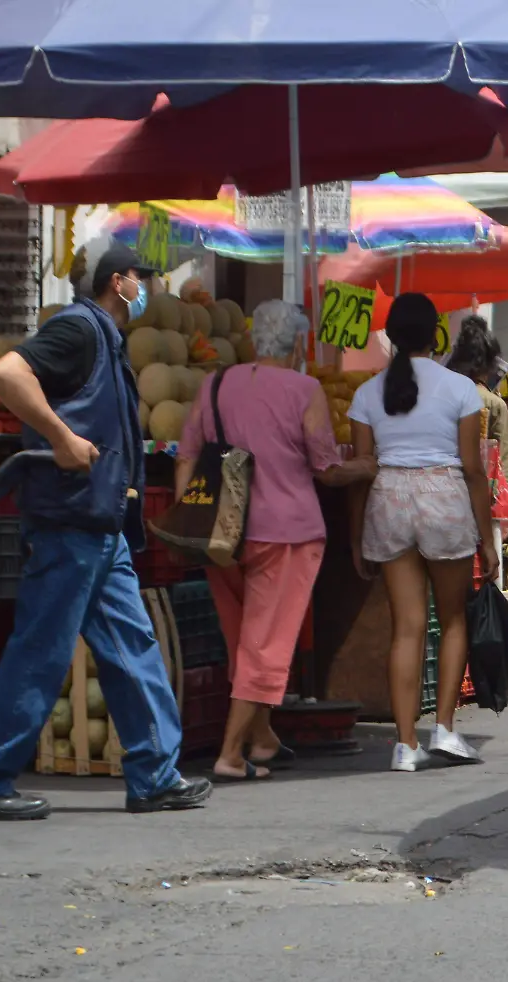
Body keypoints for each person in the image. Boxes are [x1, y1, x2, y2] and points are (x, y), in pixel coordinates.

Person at [0, 238, 213, 819]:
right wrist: (62, 438)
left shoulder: (107, 339)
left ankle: (155, 775)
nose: (147, 288)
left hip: (100, 524)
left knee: (133, 648)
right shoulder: (79, 330)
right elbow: (5, 372)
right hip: (71, 522)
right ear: (117, 281)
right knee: (40, 652)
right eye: (140, 278)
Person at [175, 300, 376, 782]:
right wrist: (365, 467)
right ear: (297, 347)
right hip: (286, 533)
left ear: (251, 340)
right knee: (266, 647)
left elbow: (186, 456)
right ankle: (230, 753)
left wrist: (192, 516)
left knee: (243, 638)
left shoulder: (216, 383)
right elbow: (326, 469)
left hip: (223, 536)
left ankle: (262, 739)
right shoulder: (305, 390)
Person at [348, 294, 499, 771]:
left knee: (407, 628)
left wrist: (357, 538)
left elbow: (361, 472)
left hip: (389, 499)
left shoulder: (366, 393)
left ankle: (404, 744)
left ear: (391, 336)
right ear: (436, 334)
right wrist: (488, 535)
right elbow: (474, 470)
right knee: (451, 620)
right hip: (444, 498)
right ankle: (446, 730)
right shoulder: (460, 389)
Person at [446, 317, 508, 587]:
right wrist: (507, 529)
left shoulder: (441, 394)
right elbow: (503, 472)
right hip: (482, 507)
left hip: (440, 501)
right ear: (488, 364)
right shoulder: (494, 404)